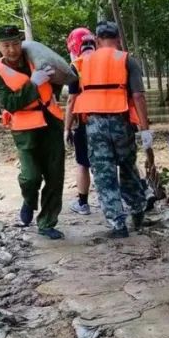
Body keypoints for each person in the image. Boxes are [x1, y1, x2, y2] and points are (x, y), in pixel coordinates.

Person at [69, 20, 152, 239]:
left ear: (97, 40)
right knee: (127, 167)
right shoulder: (127, 60)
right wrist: (145, 129)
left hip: (94, 124)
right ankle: (137, 212)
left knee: (104, 172)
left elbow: (73, 96)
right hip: (121, 122)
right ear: (119, 39)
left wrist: (68, 127)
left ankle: (117, 224)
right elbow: (138, 96)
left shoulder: (82, 63)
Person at [0, 24, 66, 239]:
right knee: (31, 176)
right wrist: (32, 85)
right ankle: (29, 200)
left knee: (55, 176)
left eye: (15, 44)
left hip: (51, 122)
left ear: (21, 43)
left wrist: (52, 80)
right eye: (6, 45)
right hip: (24, 128)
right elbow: (9, 103)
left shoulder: (36, 58)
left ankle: (47, 222)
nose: (12, 50)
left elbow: (56, 84)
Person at [64, 26, 96, 215]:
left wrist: (67, 128)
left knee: (83, 163)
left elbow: (71, 100)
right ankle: (141, 192)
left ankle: (83, 203)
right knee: (123, 160)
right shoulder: (109, 60)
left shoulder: (77, 65)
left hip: (87, 121)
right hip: (116, 117)